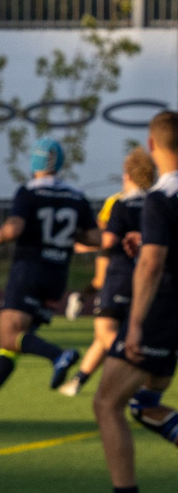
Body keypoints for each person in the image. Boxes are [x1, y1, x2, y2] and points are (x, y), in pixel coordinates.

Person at [81, 114, 178, 493]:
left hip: (162, 310)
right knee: (145, 402)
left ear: (151, 146)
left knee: (107, 403)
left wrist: (134, 324)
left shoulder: (160, 197)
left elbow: (151, 266)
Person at [0, 140, 90, 421]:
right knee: (12, 343)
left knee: (8, 335)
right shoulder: (76, 196)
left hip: (29, 270)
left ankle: (59, 355)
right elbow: (91, 237)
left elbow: (14, 228)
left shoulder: (28, 191)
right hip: (57, 275)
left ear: (35, 162)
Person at [64, 148, 152, 399]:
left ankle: (140, 367)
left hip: (121, 275)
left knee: (105, 332)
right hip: (147, 278)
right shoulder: (158, 202)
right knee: (105, 334)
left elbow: (107, 237)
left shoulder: (120, 204)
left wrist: (82, 240)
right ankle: (78, 381)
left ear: (128, 176)